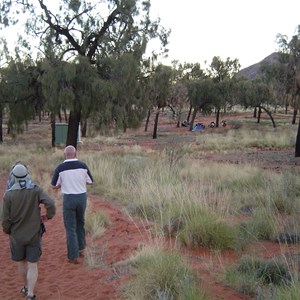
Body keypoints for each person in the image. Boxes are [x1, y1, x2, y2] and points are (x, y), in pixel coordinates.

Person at [1, 163, 56, 300]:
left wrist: (8, 230)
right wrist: (47, 216)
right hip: (34, 234)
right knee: (32, 264)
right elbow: (51, 204)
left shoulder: (8, 195)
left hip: (16, 236)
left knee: (21, 263)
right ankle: (30, 294)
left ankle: (25, 286)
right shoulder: (36, 190)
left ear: (13, 177)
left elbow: (4, 219)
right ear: (27, 175)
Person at [51, 145, 94, 264]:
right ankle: (81, 249)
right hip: (81, 197)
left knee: (70, 227)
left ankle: (73, 255)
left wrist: (61, 185)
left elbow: (54, 185)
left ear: (65, 155)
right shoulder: (83, 166)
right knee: (80, 222)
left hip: (69, 198)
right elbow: (90, 181)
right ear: (75, 154)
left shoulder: (60, 168)